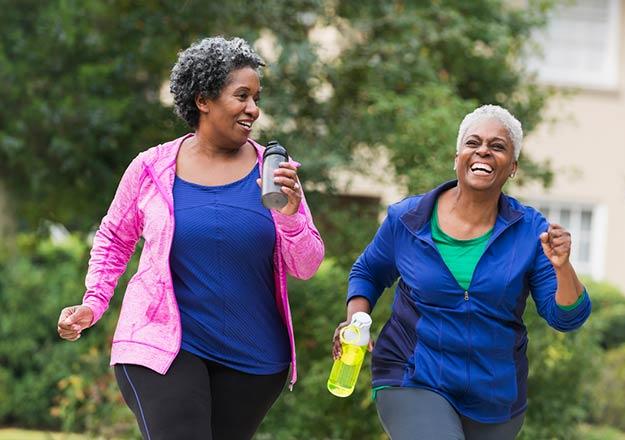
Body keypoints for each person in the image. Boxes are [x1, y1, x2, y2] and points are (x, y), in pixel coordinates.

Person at [57, 36, 324, 440]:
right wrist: (94, 301)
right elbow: (114, 237)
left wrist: (290, 216)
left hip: (254, 360)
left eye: (256, 97)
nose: (254, 109)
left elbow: (306, 266)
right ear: (203, 100)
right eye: (242, 96)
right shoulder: (150, 168)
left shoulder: (274, 173)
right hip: (162, 348)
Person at [332, 104, 591, 440]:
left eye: (497, 146)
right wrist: (357, 319)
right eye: (473, 143)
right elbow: (368, 271)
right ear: (458, 156)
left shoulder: (530, 232)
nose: (483, 150)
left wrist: (562, 267)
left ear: (512, 167)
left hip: (496, 397)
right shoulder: (409, 219)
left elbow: (565, 317)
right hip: (412, 376)